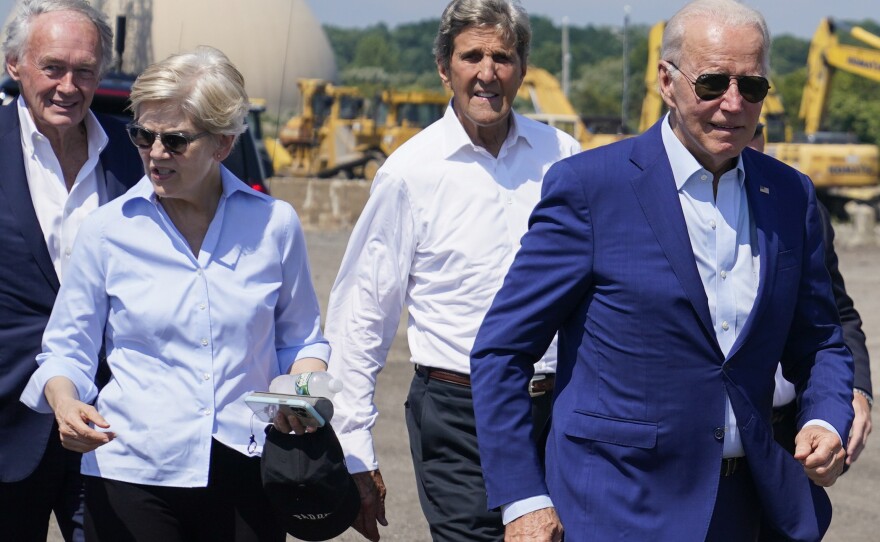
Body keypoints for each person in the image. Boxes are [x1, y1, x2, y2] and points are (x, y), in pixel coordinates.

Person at [470, 1, 855, 540]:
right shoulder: (590, 189)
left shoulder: (790, 194)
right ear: (666, 82)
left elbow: (820, 341)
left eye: (752, 87)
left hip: (749, 508)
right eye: (712, 83)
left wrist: (823, 417)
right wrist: (522, 499)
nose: (733, 103)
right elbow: (501, 351)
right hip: (617, 508)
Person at [20, 46, 330, 542]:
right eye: (143, 135)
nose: (155, 153)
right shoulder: (107, 230)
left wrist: (300, 394)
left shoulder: (275, 224)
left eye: (176, 140)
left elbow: (302, 341)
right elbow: (66, 349)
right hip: (130, 470)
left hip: (247, 467)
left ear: (223, 143)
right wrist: (65, 402)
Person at [323, 1, 580, 540]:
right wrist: (354, 447)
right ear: (444, 68)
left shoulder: (564, 158)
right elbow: (362, 318)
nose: (488, 72)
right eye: (472, 56)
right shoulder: (409, 174)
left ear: (522, 68)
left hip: (561, 411)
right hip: (460, 418)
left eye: (502, 57)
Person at [0, 1, 141, 540]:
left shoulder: (135, 157)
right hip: (6, 424)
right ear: (15, 64)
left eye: (84, 70)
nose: (68, 86)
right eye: (53, 67)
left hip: (111, 427)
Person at [749, 124, 873, 464]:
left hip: (791, 436)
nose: (742, 134)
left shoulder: (799, 204)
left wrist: (855, 390)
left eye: (755, 129)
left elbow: (837, 316)